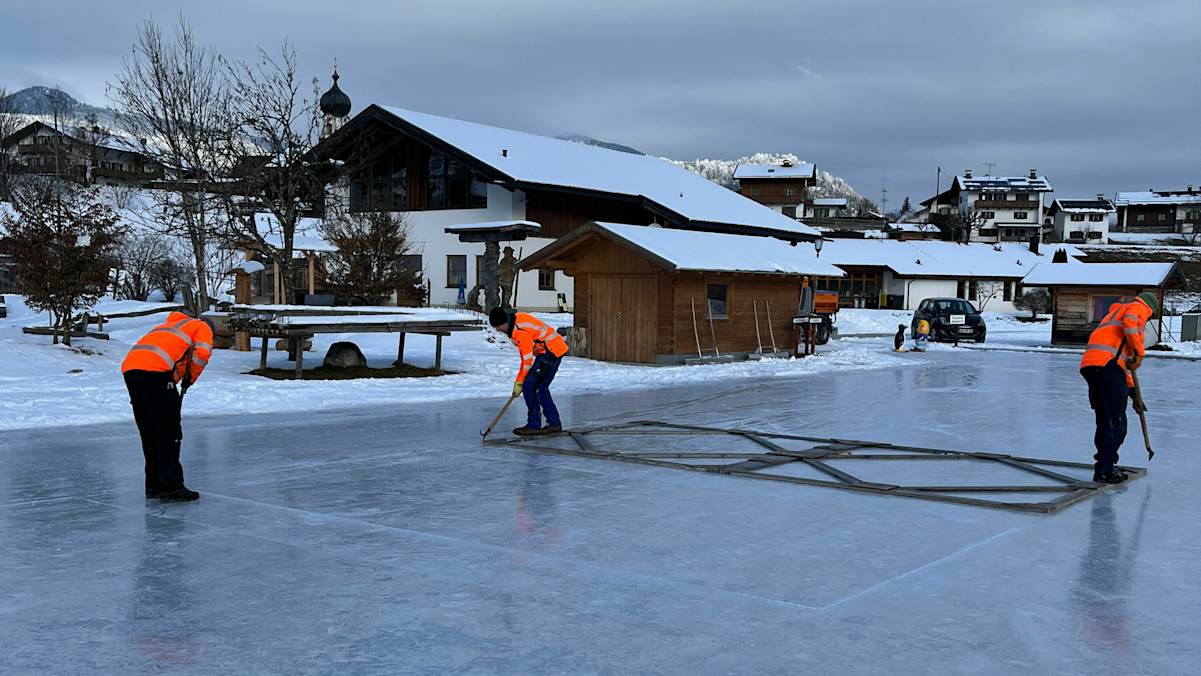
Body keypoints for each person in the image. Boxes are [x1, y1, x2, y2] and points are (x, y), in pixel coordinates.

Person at [121, 311, 214, 501]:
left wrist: (177, 381)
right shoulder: (201, 326)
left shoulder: (167, 327)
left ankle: (153, 486)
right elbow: (202, 354)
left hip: (131, 370)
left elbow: (173, 359)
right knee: (169, 431)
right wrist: (189, 380)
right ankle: (171, 486)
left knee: (149, 431)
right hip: (155, 372)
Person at [1079, 292, 1157, 484]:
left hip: (1094, 367)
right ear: (1150, 309)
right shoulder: (1137, 308)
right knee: (1116, 422)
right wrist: (1140, 352)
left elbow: (1123, 364)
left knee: (1105, 420)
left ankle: (1104, 466)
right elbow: (1130, 323)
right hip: (1108, 368)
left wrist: (1133, 394)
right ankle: (1105, 470)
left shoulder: (1112, 316)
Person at [489, 307, 569, 436]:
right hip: (551, 350)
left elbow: (526, 360)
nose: (497, 330)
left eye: (498, 326)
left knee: (529, 386)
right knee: (540, 388)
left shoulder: (520, 331)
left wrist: (519, 382)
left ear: (504, 323)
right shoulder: (516, 321)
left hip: (551, 352)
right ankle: (554, 424)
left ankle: (534, 425)